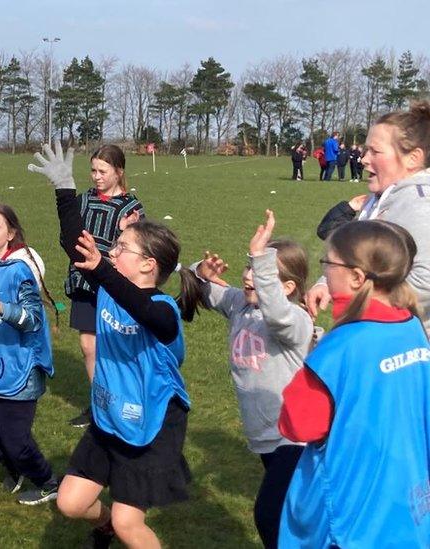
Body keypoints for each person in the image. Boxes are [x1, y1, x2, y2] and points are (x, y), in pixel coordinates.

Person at [30, 138, 198, 549]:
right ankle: (101, 526)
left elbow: (141, 308)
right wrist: (65, 190)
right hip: (109, 418)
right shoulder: (109, 288)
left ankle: (117, 527)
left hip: (152, 424)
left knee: (129, 523)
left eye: (122, 247)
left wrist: (103, 272)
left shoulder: (162, 311)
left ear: (148, 264)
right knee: (70, 504)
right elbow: (77, 247)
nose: (112, 251)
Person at [279, 220, 430, 547]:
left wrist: (312, 362)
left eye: (328, 263)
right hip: (406, 498)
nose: (325, 272)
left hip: (354, 513)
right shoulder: (412, 327)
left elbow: (298, 424)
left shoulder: (341, 346)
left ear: (357, 277)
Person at [190, 210, 312, 549]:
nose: (248, 277)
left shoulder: (295, 321)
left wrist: (260, 259)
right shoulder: (240, 306)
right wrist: (202, 273)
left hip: (294, 437)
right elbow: (201, 289)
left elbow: (278, 314)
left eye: (261, 275)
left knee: (270, 514)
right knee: (295, 512)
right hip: (264, 435)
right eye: (248, 268)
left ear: (286, 287)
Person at [30, 143, 143, 428]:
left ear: (119, 171)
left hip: (113, 284)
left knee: (114, 347)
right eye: (92, 170)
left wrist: (127, 232)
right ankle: (99, 404)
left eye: (102, 171)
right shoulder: (83, 200)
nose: (96, 176)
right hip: (83, 282)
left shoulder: (131, 208)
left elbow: (140, 247)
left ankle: (125, 400)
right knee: (88, 345)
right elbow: (67, 234)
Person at [307, 101, 430, 332]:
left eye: (375, 151)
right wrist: (326, 283)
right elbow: (354, 256)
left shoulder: (421, 204)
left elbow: (425, 281)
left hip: (407, 350)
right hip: (377, 338)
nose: (363, 159)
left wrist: (362, 302)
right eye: (366, 150)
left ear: (413, 158)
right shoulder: (379, 198)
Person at [0, 203, 58, 506]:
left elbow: (33, 319)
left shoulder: (20, 271)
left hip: (20, 369)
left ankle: (48, 481)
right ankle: (15, 469)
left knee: (16, 442)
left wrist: (4, 309)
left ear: (11, 233)